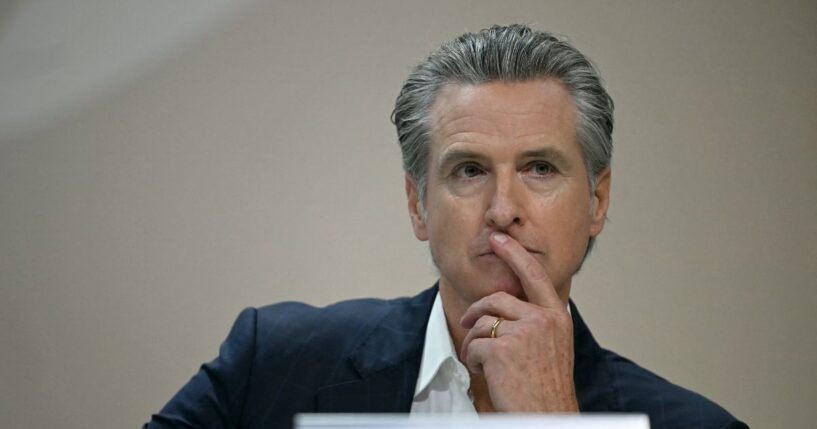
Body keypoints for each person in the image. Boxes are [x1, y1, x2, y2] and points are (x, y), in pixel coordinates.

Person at [145, 24, 747, 429]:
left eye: (540, 168)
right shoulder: (272, 361)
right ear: (417, 204)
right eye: (468, 170)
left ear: (597, 200)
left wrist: (552, 421)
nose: (503, 207)